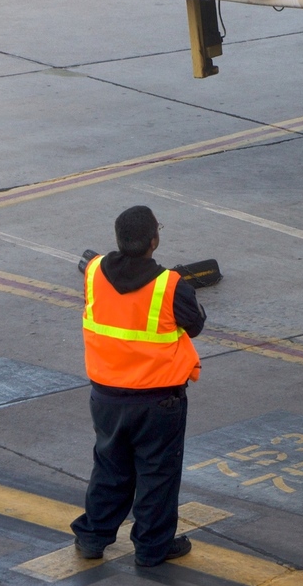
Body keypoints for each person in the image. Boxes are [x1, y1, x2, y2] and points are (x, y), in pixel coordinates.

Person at [71, 206, 206, 567]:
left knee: (109, 468)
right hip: (157, 400)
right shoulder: (169, 285)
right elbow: (195, 325)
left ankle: (92, 537)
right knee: (157, 474)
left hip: (106, 395)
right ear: (154, 241)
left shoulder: (95, 272)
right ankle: (151, 547)